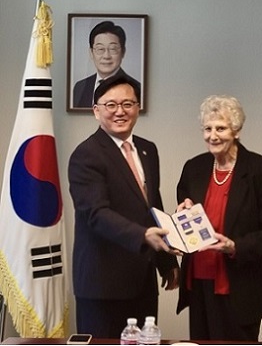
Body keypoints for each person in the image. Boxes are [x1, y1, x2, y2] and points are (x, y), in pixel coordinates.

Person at [68, 73, 179, 337]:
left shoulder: (147, 150)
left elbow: (152, 206)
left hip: (142, 281)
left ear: (137, 108)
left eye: (128, 104)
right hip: (102, 285)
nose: (120, 111)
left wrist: (167, 261)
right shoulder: (86, 154)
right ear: (96, 111)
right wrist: (143, 235)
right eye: (111, 105)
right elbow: (96, 213)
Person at [175, 95, 262, 341]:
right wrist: (181, 215)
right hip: (198, 282)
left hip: (239, 287)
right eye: (207, 129)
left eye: (221, 128)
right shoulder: (193, 168)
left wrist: (235, 246)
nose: (213, 136)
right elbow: (183, 213)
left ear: (236, 131)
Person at [71, 21, 141, 108]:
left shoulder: (136, 87)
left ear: (123, 52)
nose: (106, 56)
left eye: (113, 49)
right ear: (91, 53)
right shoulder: (80, 87)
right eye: (100, 49)